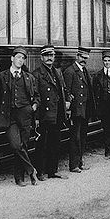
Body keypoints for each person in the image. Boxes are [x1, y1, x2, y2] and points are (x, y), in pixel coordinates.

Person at [0, 46, 40, 187]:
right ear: (12, 58)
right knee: (16, 145)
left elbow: (36, 96)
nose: (20, 60)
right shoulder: (2, 76)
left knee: (23, 146)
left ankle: (19, 178)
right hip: (9, 115)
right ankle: (31, 170)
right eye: (18, 57)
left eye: (23, 58)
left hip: (25, 115)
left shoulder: (29, 77)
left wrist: (34, 106)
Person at [32, 45, 70, 181]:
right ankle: (40, 171)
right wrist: (36, 118)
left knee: (55, 143)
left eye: (51, 55)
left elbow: (63, 89)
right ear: (41, 58)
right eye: (46, 55)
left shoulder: (57, 72)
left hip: (57, 112)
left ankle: (52, 171)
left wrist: (68, 101)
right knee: (42, 144)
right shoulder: (37, 74)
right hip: (45, 114)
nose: (49, 58)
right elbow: (35, 96)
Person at [63, 46, 96, 173]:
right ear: (77, 56)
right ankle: (73, 165)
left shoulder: (84, 70)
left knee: (82, 137)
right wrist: (69, 110)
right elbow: (67, 93)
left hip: (84, 110)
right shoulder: (70, 71)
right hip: (76, 111)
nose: (84, 60)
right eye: (82, 57)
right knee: (75, 138)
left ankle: (79, 162)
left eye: (86, 58)